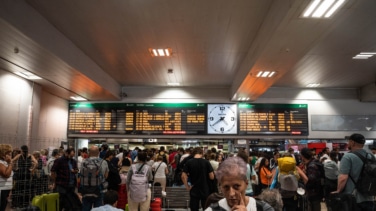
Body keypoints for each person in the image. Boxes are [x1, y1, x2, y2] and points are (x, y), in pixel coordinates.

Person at [331, 133, 375, 211]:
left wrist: (338, 190)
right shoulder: (371, 156)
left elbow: (343, 177)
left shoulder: (348, 156)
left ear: (352, 142)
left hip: (353, 198)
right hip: (369, 197)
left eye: (349, 141)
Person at [182, 147, 215, 211]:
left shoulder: (189, 162)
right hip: (205, 188)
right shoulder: (206, 162)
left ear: (193, 153)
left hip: (194, 188)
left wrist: (187, 186)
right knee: (206, 208)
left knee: (194, 208)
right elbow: (212, 177)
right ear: (202, 153)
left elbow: (183, 176)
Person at [80, 145, 109, 211]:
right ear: (98, 152)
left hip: (86, 190)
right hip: (99, 191)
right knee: (99, 209)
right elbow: (106, 176)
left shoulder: (83, 162)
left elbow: (81, 174)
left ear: (89, 153)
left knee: (86, 209)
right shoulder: (103, 162)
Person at [0, 144, 20, 211]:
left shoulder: (4, 162)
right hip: (1, 189)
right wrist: (11, 163)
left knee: (3, 206)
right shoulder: (0, 162)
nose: (10, 155)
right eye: (8, 153)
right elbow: (6, 174)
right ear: (3, 153)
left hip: (5, 189)